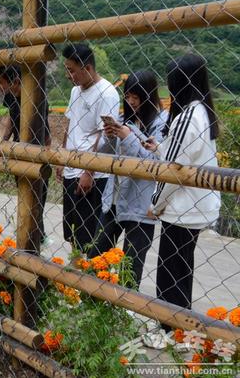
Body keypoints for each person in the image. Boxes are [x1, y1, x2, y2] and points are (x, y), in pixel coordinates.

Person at [144, 55, 220, 328]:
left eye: (171, 81)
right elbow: (182, 156)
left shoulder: (188, 116)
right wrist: (160, 148)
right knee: (181, 270)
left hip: (181, 208)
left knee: (168, 275)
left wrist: (155, 202)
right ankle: (179, 326)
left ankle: (168, 328)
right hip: (194, 206)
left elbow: (173, 171)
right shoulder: (202, 111)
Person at [89, 71, 168, 289]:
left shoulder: (161, 124)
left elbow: (155, 162)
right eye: (129, 96)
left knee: (131, 266)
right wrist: (110, 136)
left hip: (142, 205)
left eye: (137, 96)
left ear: (149, 96)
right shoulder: (125, 119)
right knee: (97, 256)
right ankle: (90, 300)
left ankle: (124, 313)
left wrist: (128, 136)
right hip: (114, 198)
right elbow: (106, 155)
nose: (131, 101)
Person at [57, 43, 120, 253]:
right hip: (71, 168)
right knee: (72, 232)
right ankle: (73, 277)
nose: (69, 75)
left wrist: (89, 172)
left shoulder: (107, 93)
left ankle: (88, 278)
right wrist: (62, 158)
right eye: (67, 69)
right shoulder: (76, 91)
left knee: (89, 237)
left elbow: (106, 137)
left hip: (91, 175)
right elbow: (71, 124)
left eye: (72, 70)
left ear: (88, 68)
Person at [0, 65, 51, 244]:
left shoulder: (35, 98)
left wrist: (47, 161)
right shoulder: (11, 96)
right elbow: (11, 118)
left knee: (37, 199)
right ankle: (31, 234)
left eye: (0, 82)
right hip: (18, 152)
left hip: (36, 153)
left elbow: (46, 134)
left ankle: (35, 238)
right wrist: (3, 142)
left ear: (15, 82)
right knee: (24, 195)